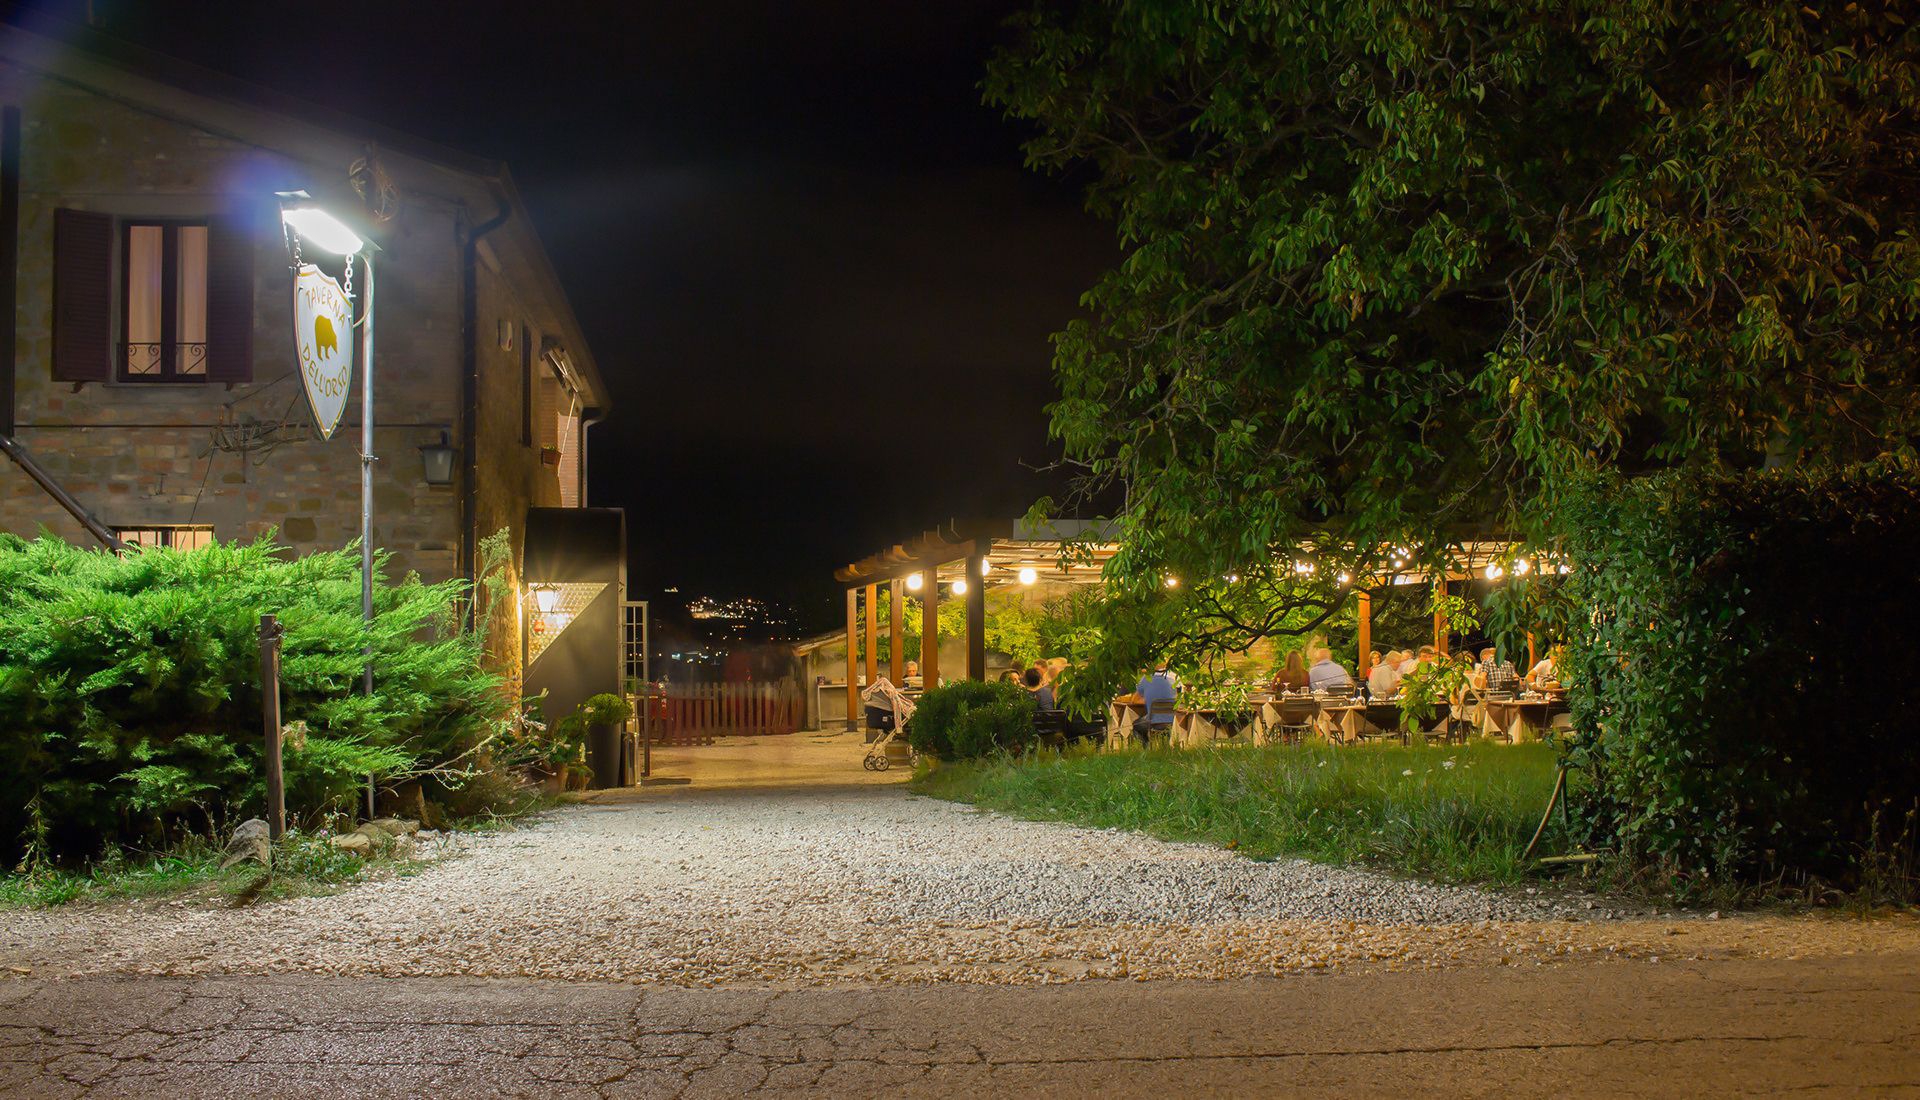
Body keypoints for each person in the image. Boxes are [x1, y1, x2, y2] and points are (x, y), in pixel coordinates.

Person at [1131, 662, 1179, 743]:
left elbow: (1134, 700)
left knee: (1136, 725)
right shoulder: (1174, 678)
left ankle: (1146, 748)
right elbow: (1178, 698)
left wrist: (1148, 698)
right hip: (1173, 721)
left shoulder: (1146, 678)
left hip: (1153, 721)